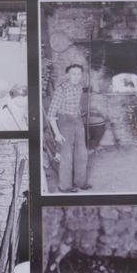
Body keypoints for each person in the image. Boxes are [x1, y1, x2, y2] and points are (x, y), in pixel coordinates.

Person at [47, 64, 89, 193]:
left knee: (82, 153)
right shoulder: (61, 90)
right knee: (66, 155)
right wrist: (57, 134)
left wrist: (79, 115)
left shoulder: (80, 87)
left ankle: (80, 182)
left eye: (79, 74)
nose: (76, 77)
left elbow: (76, 105)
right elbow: (51, 114)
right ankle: (64, 186)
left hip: (77, 120)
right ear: (67, 75)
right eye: (73, 74)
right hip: (64, 121)